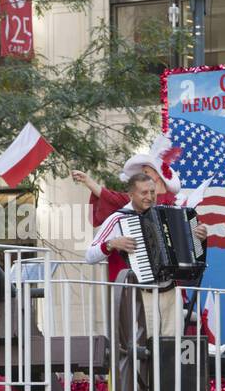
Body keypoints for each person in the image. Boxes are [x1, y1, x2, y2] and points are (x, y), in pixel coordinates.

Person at [86, 171, 207, 339]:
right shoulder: (118, 219)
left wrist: (198, 237)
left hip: (171, 293)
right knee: (144, 350)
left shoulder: (169, 213)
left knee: (172, 350)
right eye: (144, 193)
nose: (149, 197)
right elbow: (89, 256)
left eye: (152, 192)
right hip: (141, 295)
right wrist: (112, 244)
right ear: (131, 195)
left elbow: (189, 247)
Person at [73, 134, 181, 230]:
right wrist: (87, 181)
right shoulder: (135, 198)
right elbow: (110, 197)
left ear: (158, 174)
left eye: (146, 172)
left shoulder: (175, 206)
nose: (143, 175)